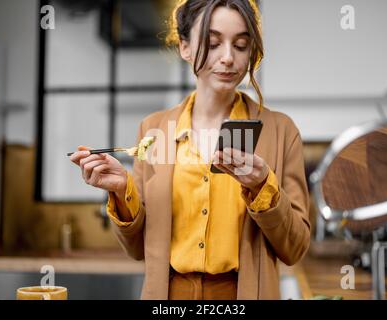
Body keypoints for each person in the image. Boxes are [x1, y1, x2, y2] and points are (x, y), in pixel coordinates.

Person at [70, 0, 310, 300]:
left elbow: (296, 247)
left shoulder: (280, 131)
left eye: (240, 45)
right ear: (184, 47)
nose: (227, 58)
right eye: (212, 43)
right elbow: (136, 249)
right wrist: (122, 192)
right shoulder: (155, 131)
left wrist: (264, 186)